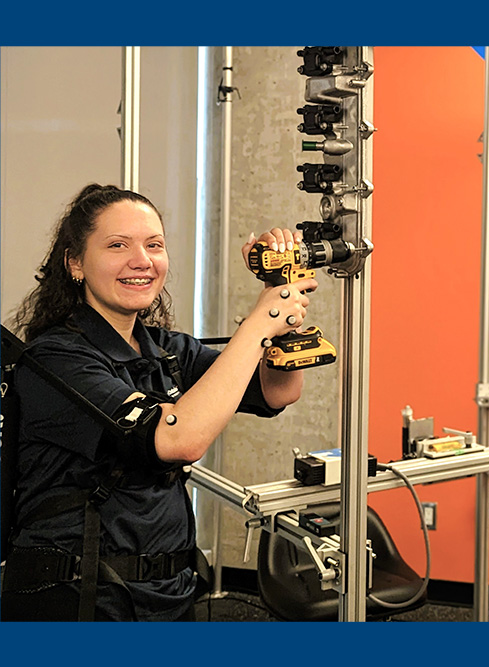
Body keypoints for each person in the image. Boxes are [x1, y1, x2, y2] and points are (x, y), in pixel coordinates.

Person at [1, 183, 317, 621]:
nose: (142, 261)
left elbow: (276, 390)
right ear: (75, 263)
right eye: (118, 245)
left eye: (154, 245)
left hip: (167, 594)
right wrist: (259, 323)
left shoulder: (163, 350)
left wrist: (278, 285)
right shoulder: (55, 360)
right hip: (83, 601)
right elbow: (178, 439)